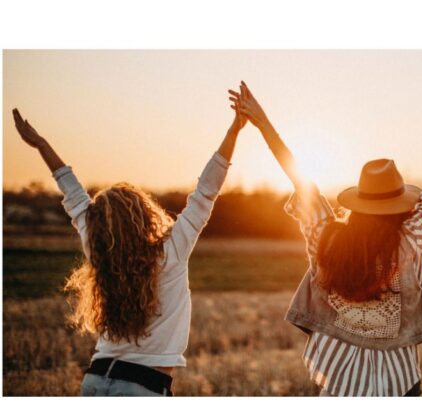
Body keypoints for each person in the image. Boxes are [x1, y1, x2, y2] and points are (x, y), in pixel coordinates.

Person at [231, 68, 422, 396]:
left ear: (359, 203)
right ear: (400, 205)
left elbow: (298, 178)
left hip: (340, 383)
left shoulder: (327, 238)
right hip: (400, 383)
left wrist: (263, 123)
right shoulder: (413, 243)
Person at [11, 86, 246, 396]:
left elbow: (73, 194)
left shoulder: (99, 252)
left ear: (99, 227)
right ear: (144, 214)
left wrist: (41, 145)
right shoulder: (171, 250)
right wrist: (234, 130)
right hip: (142, 388)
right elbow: (206, 191)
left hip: (94, 380)